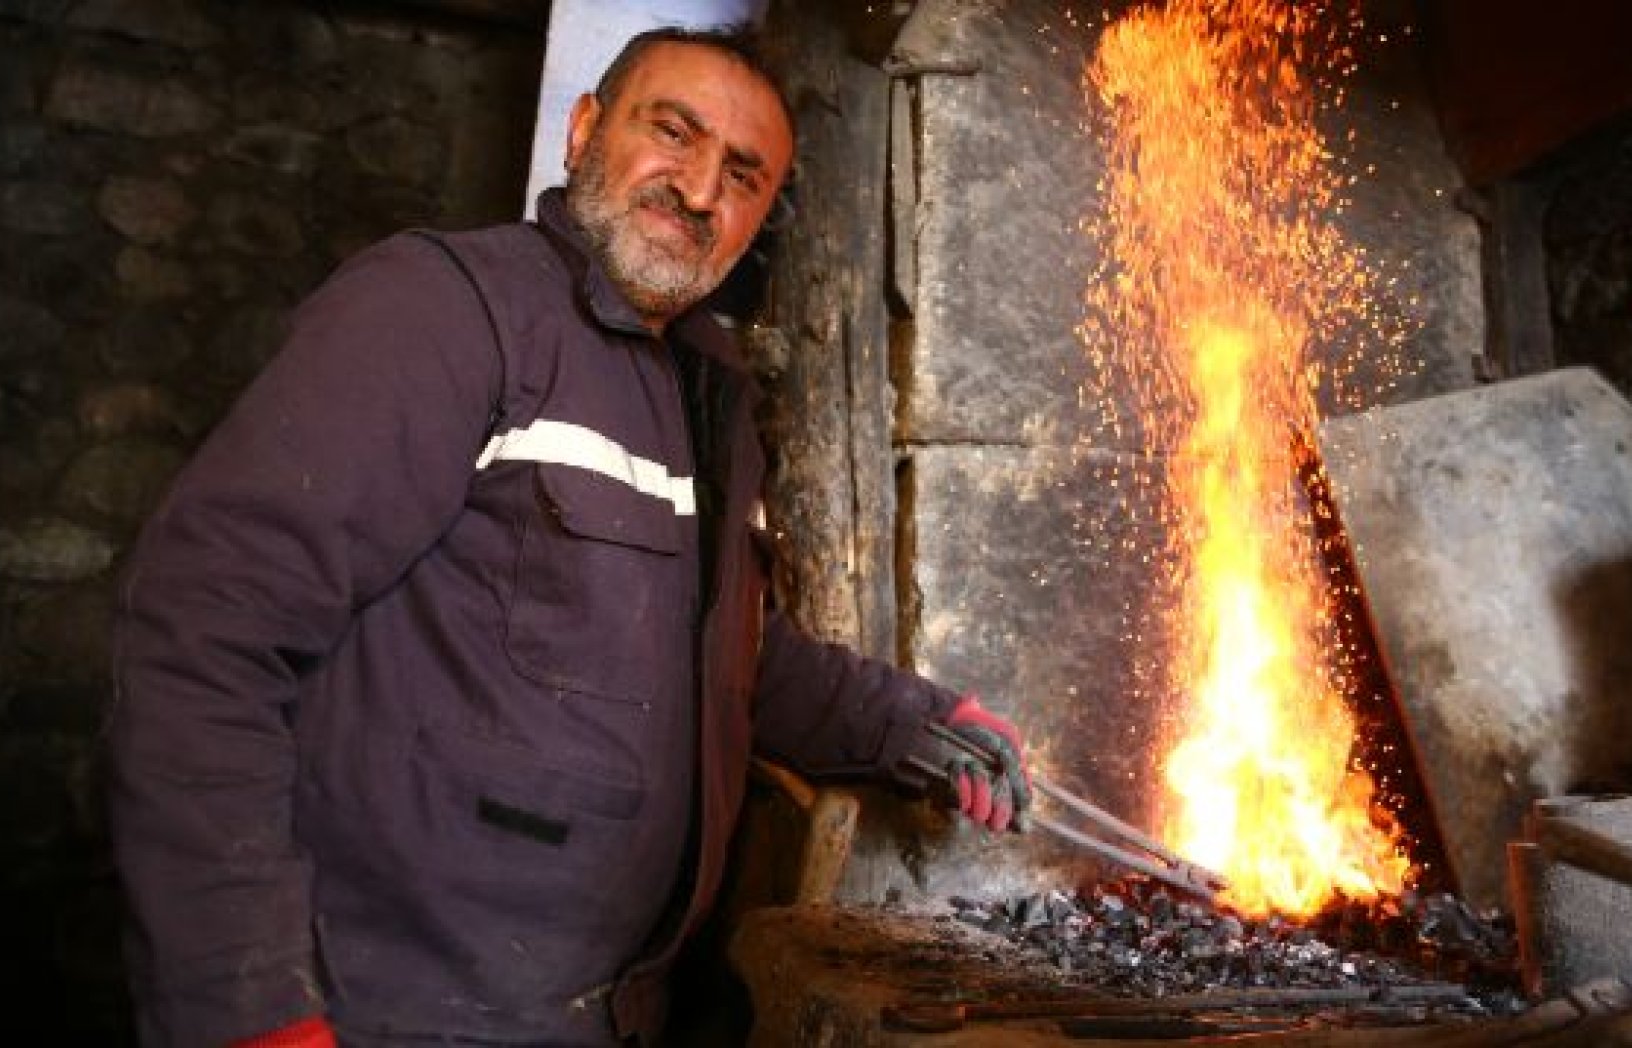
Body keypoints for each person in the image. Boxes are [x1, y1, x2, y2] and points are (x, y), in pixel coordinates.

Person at [107, 27, 1031, 1048]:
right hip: (386, 1012)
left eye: (742, 174)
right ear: (584, 130)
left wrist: (909, 724)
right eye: (670, 133)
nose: (696, 189)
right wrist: (248, 1009)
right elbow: (202, 634)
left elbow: (725, 656)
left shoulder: (708, 393)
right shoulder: (444, 313)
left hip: (599, 1017)